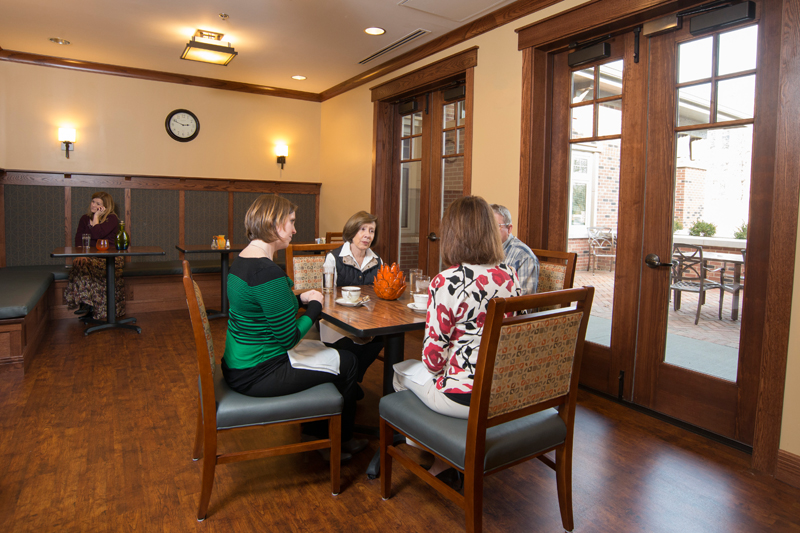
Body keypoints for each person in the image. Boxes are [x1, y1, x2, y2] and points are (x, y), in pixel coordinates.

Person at [221, 194, 367, 461]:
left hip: (241, 363)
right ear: (275, 224)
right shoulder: (266, 273)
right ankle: (336, 440)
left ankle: (321, 425)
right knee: (348, 362)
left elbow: (264, 308)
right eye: (291, 222)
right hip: (259, 372)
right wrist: (315, 307)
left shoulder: (242, 261)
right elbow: (289, 338)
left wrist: (300, 299)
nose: (294, 229)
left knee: (341, 344)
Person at [392, 196, 521, 482]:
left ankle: (439, 451)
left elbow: (433, 360)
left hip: (463, 399)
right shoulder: (510, 275)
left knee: (400, 373)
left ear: (453, 234)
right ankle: (445, 451)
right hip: (503, 393)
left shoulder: (447, 280)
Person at [321, 211, 384, 394]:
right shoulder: (334, 258)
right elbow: (327, 297)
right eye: (362, 229)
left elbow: (381, 294)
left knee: (384, 338)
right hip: (337, 322)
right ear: (352, 231)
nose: (367, 235)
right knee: (348, 349)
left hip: (368, 322)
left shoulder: (377, 260)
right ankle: (347, 383)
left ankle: (350, 380)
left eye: (371, 231)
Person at [65, 192, 125, 320]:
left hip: (109, 258)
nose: (94, 205)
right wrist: (80, 255)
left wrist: (97, 216)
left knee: (86, 265)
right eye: (93, 202)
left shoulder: (111, 219)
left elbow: (98, 235)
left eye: (98, 204)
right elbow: (78, 239)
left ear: (105, 207)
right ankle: (87, 303)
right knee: (80, 264)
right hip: (91, 257)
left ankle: (87, 304)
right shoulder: (84, 219)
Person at [491, 204, 540, 295]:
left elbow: (524, 301)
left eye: (496, 226)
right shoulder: (483, 250)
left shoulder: (524, 256)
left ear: (509, 229)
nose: (490, 230)